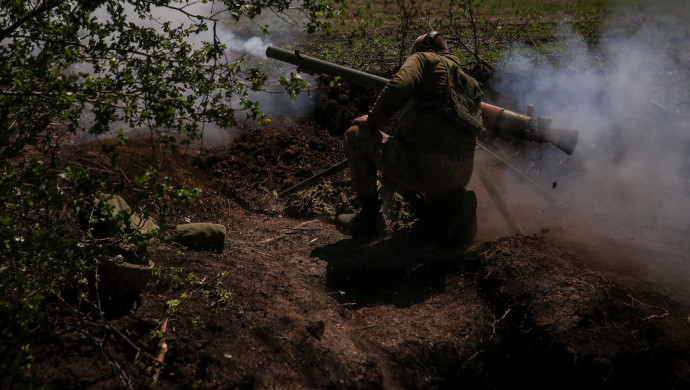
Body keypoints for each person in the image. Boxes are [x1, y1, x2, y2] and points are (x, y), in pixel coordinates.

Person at [336, 31, 483, 242]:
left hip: (425, 169)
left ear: (423, 49)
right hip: (460, 177)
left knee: (355, 135)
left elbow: (400, 85)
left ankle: (369, 219)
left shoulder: (424, 59)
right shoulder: (470, 83)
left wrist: (373, 120)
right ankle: (451, 208)